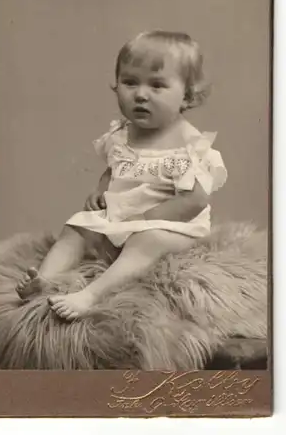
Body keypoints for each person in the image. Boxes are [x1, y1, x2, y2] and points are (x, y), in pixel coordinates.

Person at [16, 30, 227, 320]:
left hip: (172, 226)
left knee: (148, 240)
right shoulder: (121, 135)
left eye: (157, 85)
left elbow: (193, 202)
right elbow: (114, 169)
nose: (140, 94)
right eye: (129, 82)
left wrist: (144, 220)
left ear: (187, 97)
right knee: (77, 227)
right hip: (123, 217)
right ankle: (45, 280)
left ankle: (90, 295)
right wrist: (101, 192)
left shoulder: (189, 146)